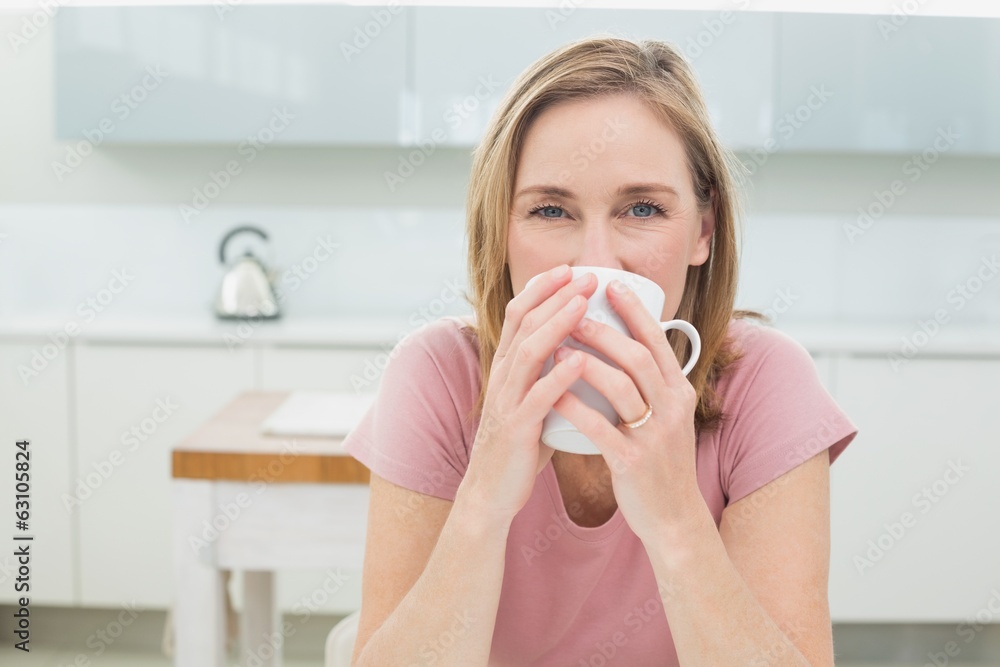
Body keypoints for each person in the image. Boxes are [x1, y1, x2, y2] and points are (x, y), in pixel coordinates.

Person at [342, 35, 858, 667]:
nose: (594, 262)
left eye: (642, 208)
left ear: (703, 230)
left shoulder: (767, 383)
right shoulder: (436, 377)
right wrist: (482, 502)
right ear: (499, 228)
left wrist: (675, 521)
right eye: (551, 210)